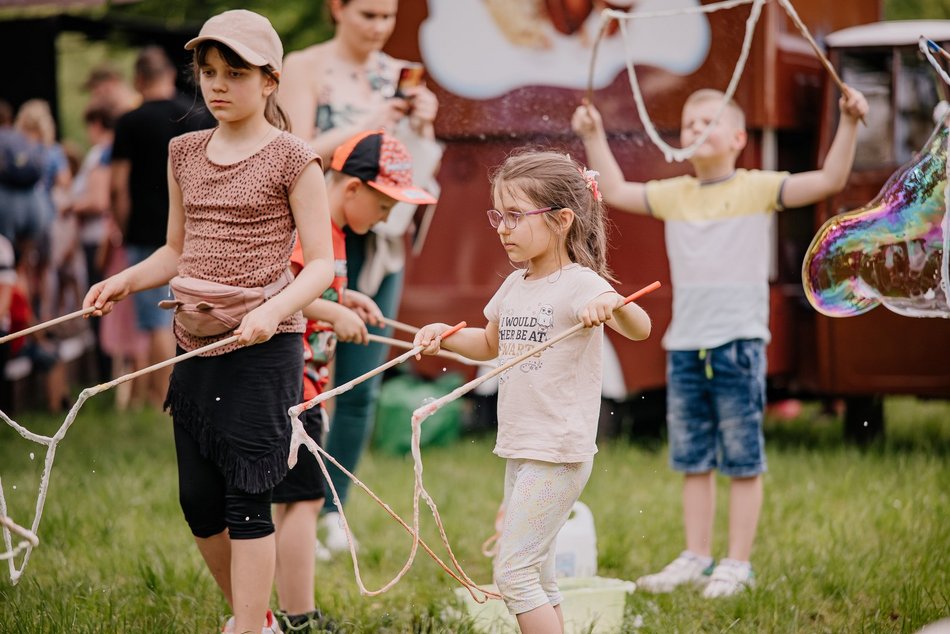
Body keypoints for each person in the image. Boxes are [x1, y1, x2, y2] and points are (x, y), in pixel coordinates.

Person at [82, 10, 335, 634]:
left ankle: (249, 627)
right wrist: (124, 279)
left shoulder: (294, 158)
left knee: (248, 495)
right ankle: (260, 615)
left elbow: (322, 264)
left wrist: (274, 310)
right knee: (198, 500)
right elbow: (175, 250)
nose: (218, 85)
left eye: (236, 74)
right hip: (194, 342)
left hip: (265, 345)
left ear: (270, 81)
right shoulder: (183, 150)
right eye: (209, 72)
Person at [571, 86, 869, 598]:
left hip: (739, 344)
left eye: (706, 121)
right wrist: (594, 135)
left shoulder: (756, 187)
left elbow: (830, 179)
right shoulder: (675, 194)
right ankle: (696, 555)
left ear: (736, 138)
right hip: (685, 345)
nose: (694, 130)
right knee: (692, 457)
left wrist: (850, 123)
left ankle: (737, 563)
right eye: (688, 124)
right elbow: (616, 189)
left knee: (742, 458)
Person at [413, 151, 652, 634]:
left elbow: (640, 326)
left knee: (514, 573)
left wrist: (611, 306)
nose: (502, 227)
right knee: (538, 571)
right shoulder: (515, 286)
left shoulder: (582, 283)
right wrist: (442, 332)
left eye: (516, 216)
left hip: (558, 450)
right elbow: (488, 344)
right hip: (522, 446)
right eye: (498, 215)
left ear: (562, 220)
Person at [280, 0, 443, 551]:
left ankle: (330, 511)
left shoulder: (396, 73)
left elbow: (414, 168)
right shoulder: (305, 67)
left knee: (357, 383)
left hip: (377, 241)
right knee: (303, 375)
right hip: (318, 223)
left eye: (388, 16)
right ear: (337, 9)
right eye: (367, 14)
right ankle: (291, 506)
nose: (379, 27)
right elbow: (293, 153)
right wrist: (371, 124)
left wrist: (421, 121)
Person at [272, 129, 435, 632]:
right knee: (302, 500)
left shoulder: (336, 231)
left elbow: (314, 292)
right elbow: (283, 292)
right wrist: (333, 313)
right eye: (383, 209)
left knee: (292, 502)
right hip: (291, 384)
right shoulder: (314, 223)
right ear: (352, 189)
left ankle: (278, 607)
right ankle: (299, 616)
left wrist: (347, 302)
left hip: (305, 384)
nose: (384, 220)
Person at [110, 45, 212, 409]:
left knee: (154, 319)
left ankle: (160, 397)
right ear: (170, 75)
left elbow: (118, 185)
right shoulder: (196, 112)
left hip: (145, 232)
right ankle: (179, 392)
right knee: (183, 313)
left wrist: (123, 229)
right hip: (194, 230)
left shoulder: (129, 121)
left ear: (139, 80)